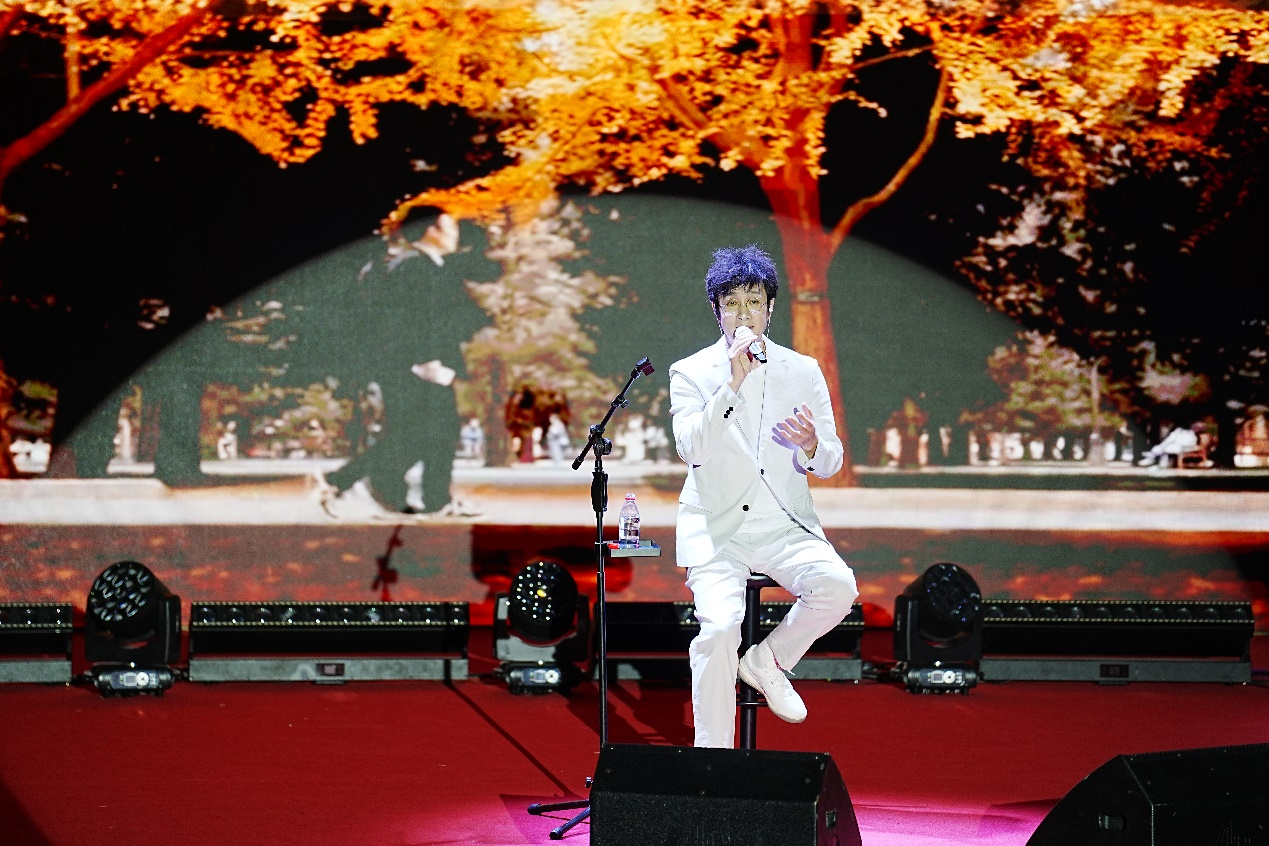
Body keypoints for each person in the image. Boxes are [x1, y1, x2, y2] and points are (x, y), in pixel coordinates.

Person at [669, 244, 858, 749]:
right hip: (718, 530)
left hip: (783, 525)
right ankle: (712, 758)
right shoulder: (690, 372)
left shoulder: (803, 370)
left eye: (753, 302)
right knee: (719, 630)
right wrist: (731, 385)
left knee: (838, 587)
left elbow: (832, 460)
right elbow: (691, 449)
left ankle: (768, 660)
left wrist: (812, 446)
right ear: (717, 311)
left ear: (770, 308)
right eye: (732, 303)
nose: (743, 314)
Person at [313, 358, 460, 517]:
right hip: (410, 371)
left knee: (427, 437)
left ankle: (435, 501)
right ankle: (339, 481)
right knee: (414, 437)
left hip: (422, 371)